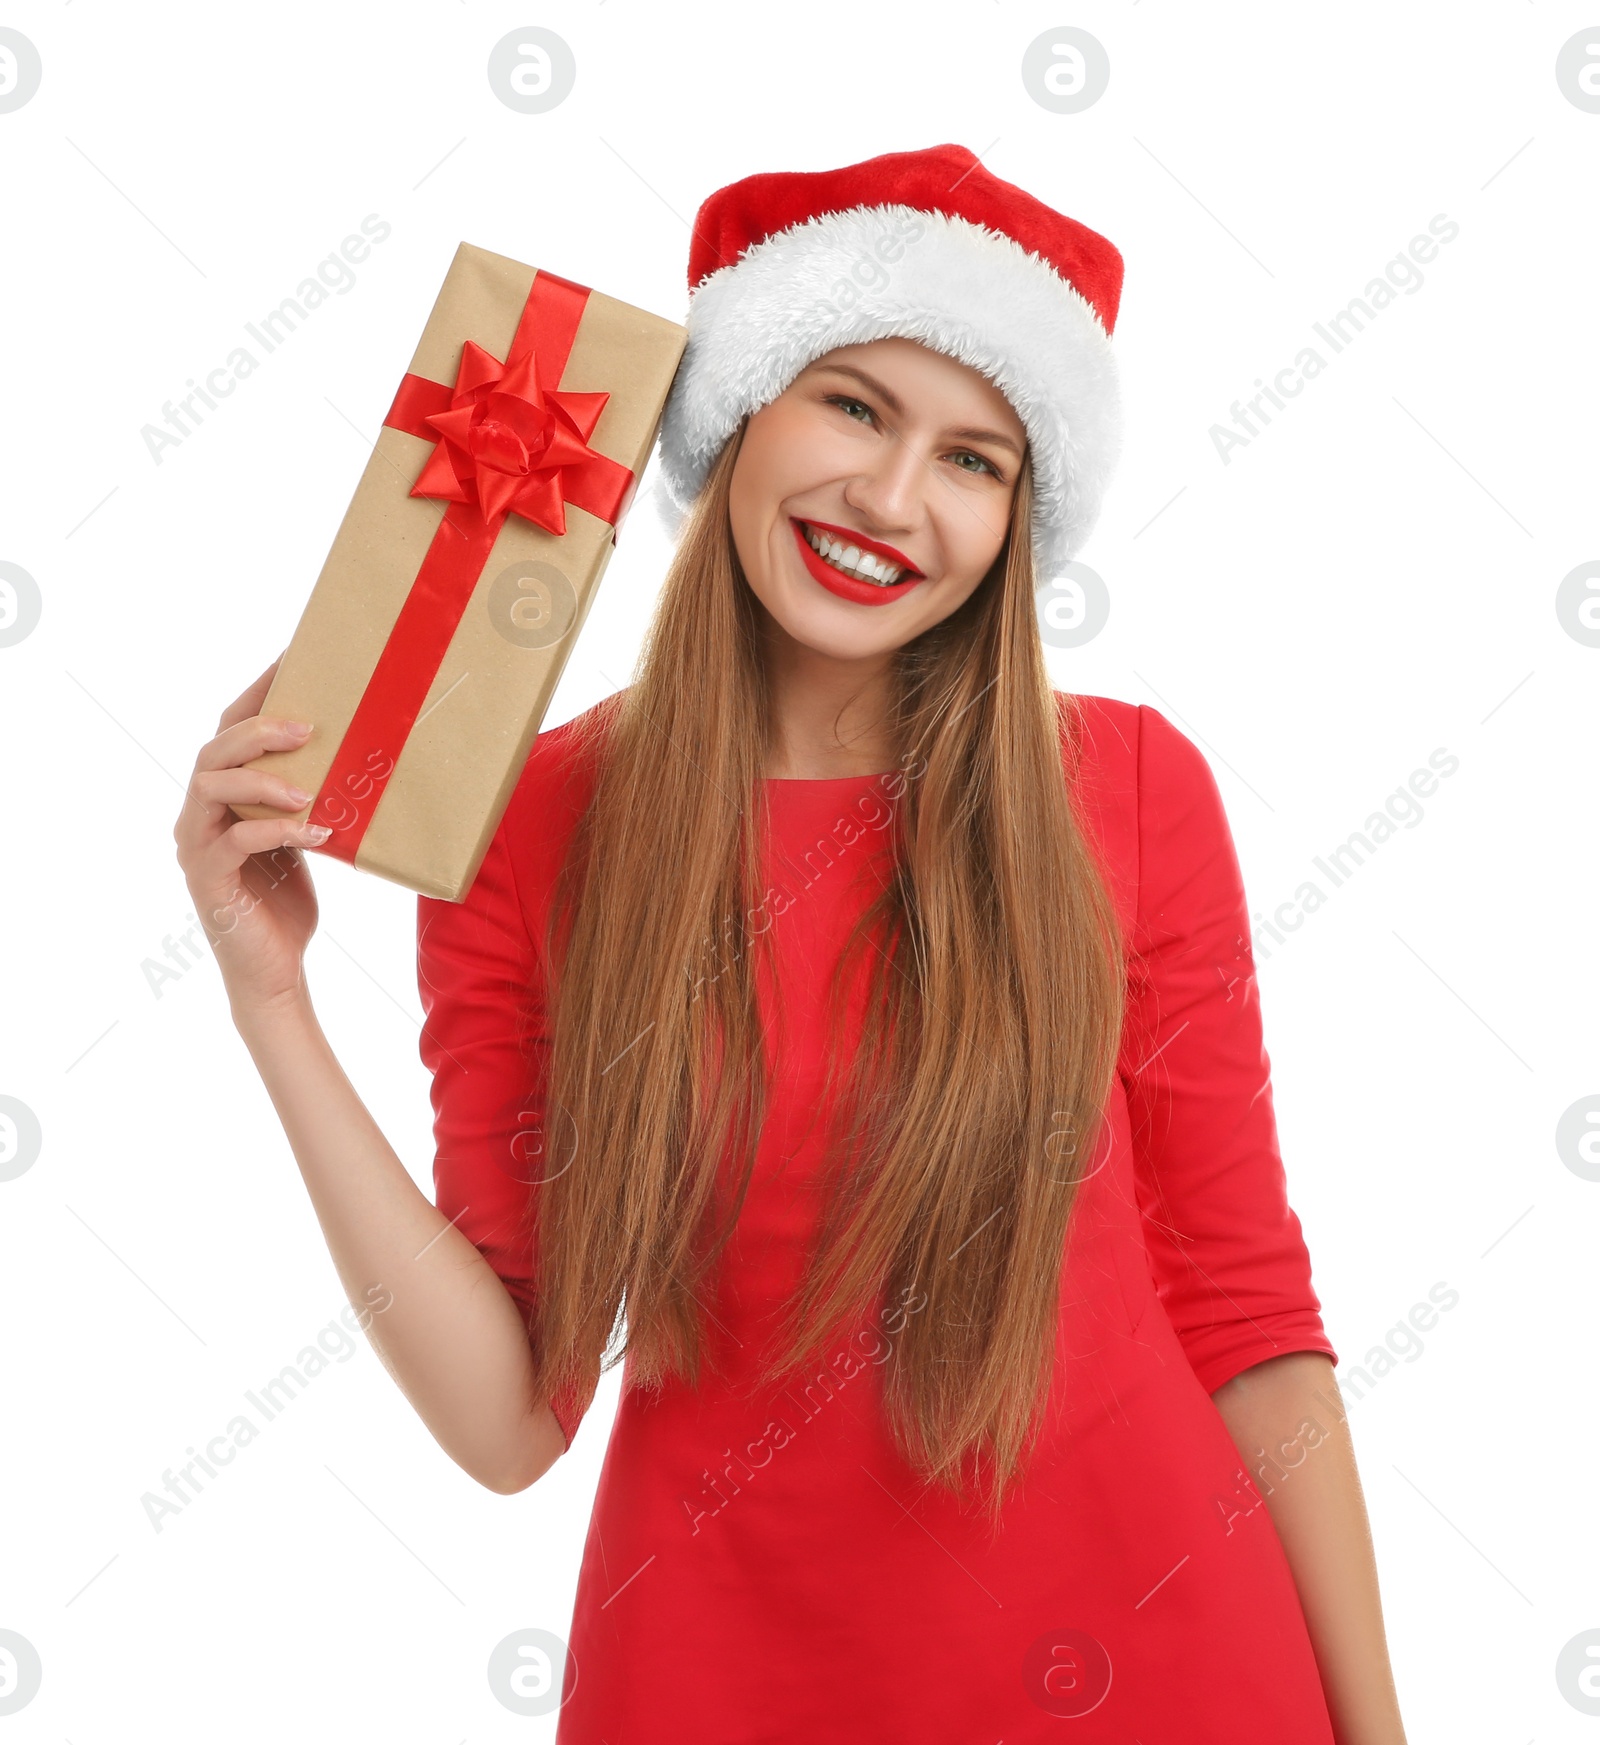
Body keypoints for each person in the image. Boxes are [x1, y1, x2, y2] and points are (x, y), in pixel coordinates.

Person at [175, 145, 1409, 1742]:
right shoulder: (529, 827)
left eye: (975, 459)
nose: (893, 501)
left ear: (1019, 520)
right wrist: (268, 995)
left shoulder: (1131, 789)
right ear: (734, 414)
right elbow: (506, 1418)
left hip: (1169, 1669)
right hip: (718, 1680)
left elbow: (1249, 1328)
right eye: (851, 406)